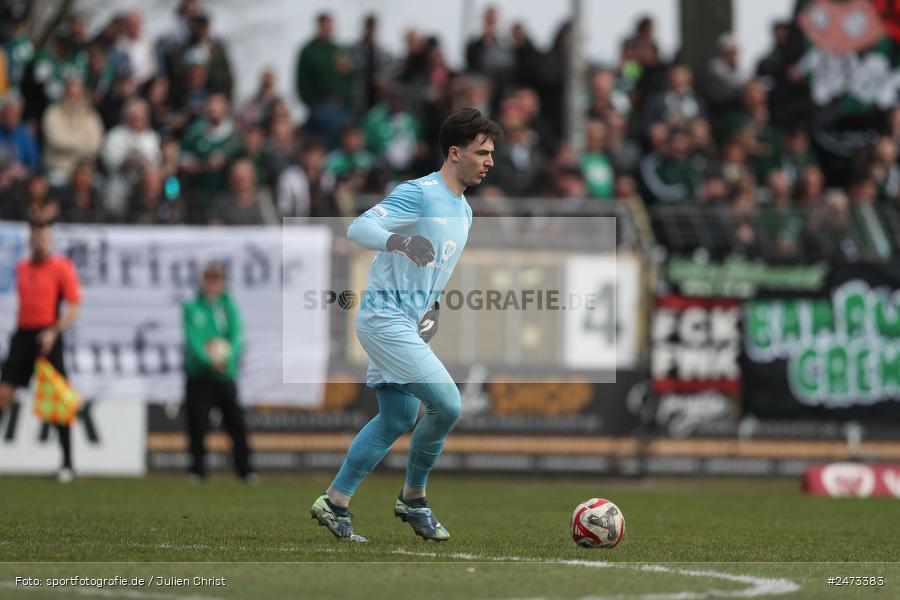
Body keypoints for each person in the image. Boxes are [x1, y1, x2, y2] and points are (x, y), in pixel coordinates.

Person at [309, 107, 503, 542]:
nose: (490, 160)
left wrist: (430, 309)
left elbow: (434, 273)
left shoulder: (465, 212)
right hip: (383, 318)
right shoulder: (418, 193)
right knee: (448, 405)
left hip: (406, 322)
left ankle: (334, 502)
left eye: (491, 153)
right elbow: (358, 228)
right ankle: (414, 499)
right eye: (482, 152)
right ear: (455, 153)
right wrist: (399, 239)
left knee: (396, 418)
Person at [0, 221, 82, 483]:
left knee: (59, 400)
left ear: (51, 241)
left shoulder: (61, 267)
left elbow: (73, 307)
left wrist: (54, 331)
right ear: (31, 240)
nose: (40, 242)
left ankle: (68, 465)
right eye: (37, 237)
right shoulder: (21, 267)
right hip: (23, 335)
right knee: (3, 393)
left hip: (49, 335)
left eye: (45, 237)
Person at [182, 262, 256, 483]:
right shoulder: (192, 307)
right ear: (204, 280)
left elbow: (236, 336)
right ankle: (197, 469)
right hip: (200, 374)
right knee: (197, 423)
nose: (214, 283)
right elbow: (193, 338)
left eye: (218, 279)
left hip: (224, 374)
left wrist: (226, 358)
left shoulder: (227, 306)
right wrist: (209, 360)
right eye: (210, 279)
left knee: (235, 423)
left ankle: (245, 469)